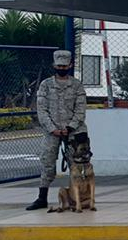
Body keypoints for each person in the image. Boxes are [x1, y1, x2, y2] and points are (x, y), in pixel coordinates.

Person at [27, 50, 87, 211]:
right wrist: (53, 129)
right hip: (51, 131)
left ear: (70, 65)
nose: (62, 68)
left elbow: (81, 109)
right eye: (59, 65)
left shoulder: (76, 85)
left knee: (77, 164)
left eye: (64, 65)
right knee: (47, 162)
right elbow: (42, 110)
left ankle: (78, 198)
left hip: (74, 131)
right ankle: (42, 198)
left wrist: (70, 127)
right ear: (54, 65)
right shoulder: (45, 85)